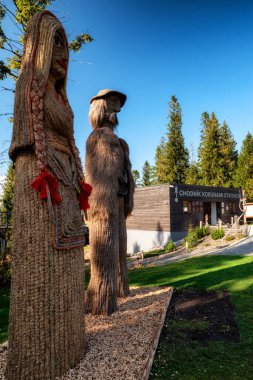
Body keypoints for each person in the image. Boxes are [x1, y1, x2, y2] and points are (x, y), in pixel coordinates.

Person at [6, 11, 91, 380]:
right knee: (43, 280)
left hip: (66, 183)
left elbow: (69, 139)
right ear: (38, 45)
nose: (63, 54)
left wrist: (77, 179)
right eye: (54, 42)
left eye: (66, 45)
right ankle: (42, 360)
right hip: (43, 187)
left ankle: (72, 344)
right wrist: (47, 167)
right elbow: (26, 142)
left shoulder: (60, 97)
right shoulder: (30, 83)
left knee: (69, 272)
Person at [85, 89, 135, 315]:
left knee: (121, 244)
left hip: (120, 198)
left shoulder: (119, 140)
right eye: (113, 102)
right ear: (101, 107)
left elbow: (124, 168)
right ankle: (102, 302)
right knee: (105, 249)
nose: (117, 108)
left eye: (118, 103)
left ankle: (122, 287)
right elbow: (97, 173)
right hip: (105, 202)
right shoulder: (97, 137)